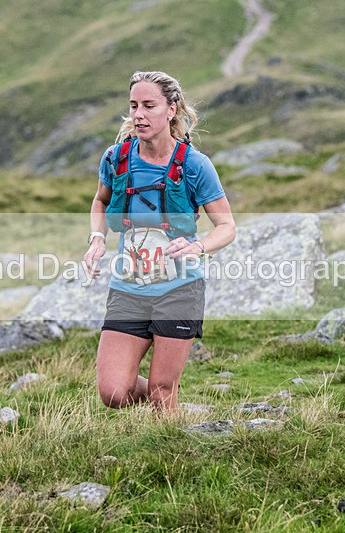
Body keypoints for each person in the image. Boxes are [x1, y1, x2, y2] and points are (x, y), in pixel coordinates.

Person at [84, 71, 236, 412]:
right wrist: (97, 239)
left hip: (179, 289)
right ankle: (163, 397)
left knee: (162, 392)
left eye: (149, 105)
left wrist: (198, 247)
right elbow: (101, 201)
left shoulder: (195, 166)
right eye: (134, 105)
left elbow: (226, 226)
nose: (138, 114)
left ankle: (169, 448)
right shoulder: (116, 158)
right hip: (128, 290)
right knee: (114, 393)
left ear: (171, 109)